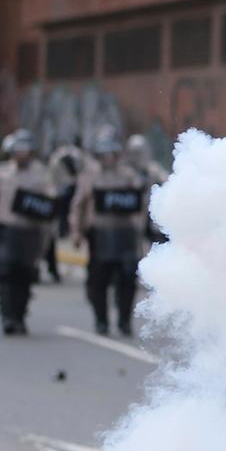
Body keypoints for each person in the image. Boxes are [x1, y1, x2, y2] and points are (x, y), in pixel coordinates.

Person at [0, 130, 57, 335]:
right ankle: (7, 316)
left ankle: (20, 315)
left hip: (31, 232)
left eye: (25, 149)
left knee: (25, 275)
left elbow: (50, 204)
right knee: (5, 273)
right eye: (17, 149)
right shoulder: (0, 172)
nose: (21, 154)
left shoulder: (42, 174)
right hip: (7, 230)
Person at [70, 126, 145, 336]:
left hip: (125, 235)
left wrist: (139, 230)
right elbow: (78, 205)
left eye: (112, 152)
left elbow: (139, 203)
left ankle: (124, 321)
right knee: (97, 281)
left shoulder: (128, 175)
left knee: (127, 280)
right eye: (104, 152)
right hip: (99, 234)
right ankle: (101, 320)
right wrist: (76, 231)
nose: (108, 157)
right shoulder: (90, 176)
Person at [44, 140, 86, 282]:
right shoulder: (64, 157)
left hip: (67, 197)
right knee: (53, 233)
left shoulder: (69, 156)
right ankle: (53, 269)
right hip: (60, 198)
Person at [124, 133, 170, 246]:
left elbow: (167, 182)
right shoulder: (125, 171)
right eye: (134, 152)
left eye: (140, 152)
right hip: (130, 216)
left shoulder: (153, 169)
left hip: (150, 214)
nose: (137, 156)